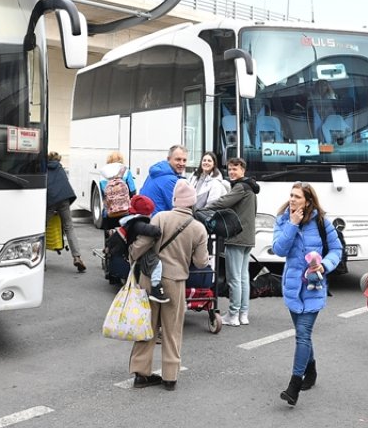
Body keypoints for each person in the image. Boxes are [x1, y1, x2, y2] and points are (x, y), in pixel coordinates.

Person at [128, 180, 210, 391]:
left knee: (147, 326)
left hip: (150, 278)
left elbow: (143, 244)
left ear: (175, 200)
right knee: (172, 329)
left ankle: (141, 373)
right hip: (175, 281)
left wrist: (132, 255)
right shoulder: (198, 228)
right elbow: (201, 263)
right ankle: (170, 377)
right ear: (192, 203)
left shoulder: (160, 217)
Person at [273, 182, 342, 406]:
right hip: (292, 287)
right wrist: (292, 225)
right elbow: (279, 249)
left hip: (314, 287)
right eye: (291, 196)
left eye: (297, 197)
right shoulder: (283, 219)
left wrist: (325, 265)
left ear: (308, 201)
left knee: (302, 334)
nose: (292, 200)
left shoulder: (322, 222)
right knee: (303, 333)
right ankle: (310, 369)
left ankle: (294, 385)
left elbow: (336, 250)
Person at [204, 157, 259, 327]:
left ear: (243, 170)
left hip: (236, 237)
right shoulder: (251, 188)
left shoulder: (241, 187)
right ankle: (243, 313)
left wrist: (203, 208)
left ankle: (233, 314)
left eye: (235, 169)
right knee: (243, 277)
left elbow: (223, 202)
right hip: (248, 238)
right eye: (230, 169)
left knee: (234, 278)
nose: (232, 172)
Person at [108, 208, 169, 303]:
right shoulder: (138, 223)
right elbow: (151, 231)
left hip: (134, 253)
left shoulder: (131, 222)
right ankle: (156, 288)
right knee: (157, 264)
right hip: (139, 254)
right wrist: (158, 230)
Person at [45, 152, 86, 272]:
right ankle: (77, 257)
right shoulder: (60, 169)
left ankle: (41, 260)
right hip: (64, 199)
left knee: (41, 229)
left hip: (51, 201)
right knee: (69, 227)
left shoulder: (44, 169)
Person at [138, 145, 189, 213]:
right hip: (158, 220)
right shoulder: (170, 180)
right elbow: (179, 209)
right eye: (178, 159)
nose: (182, 163)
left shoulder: (156, 173)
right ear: (168, 159)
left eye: (184, 160)